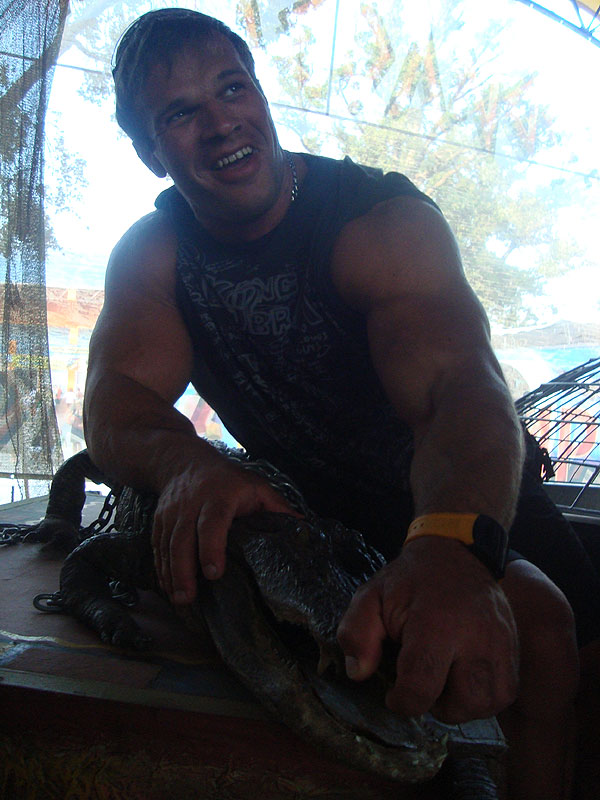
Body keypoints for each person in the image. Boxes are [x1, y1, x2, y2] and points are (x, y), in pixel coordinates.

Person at [83, 9, 597, 798]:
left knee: (554, 643)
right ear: (151, 151)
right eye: (181, 114)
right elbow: (116, 401)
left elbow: (456, 391)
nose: (221, 123)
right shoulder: (154, 255)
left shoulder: (376, 223)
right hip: (323, 525)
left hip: (465, 497)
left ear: (260, 95)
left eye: (232, 89)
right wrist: (185, 464)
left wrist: (451, 551)